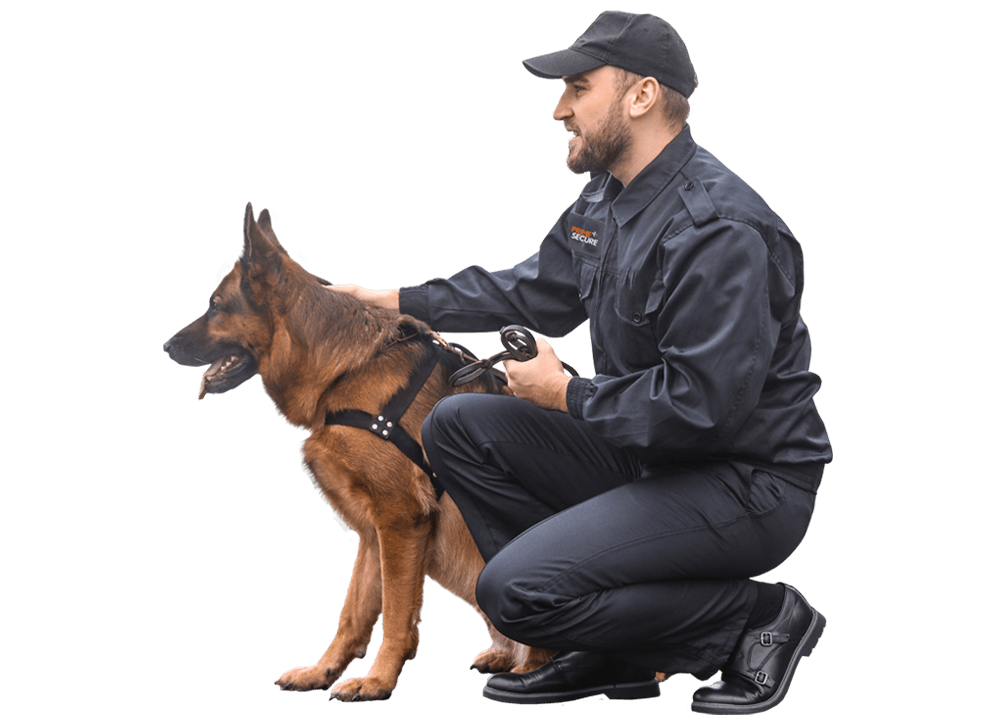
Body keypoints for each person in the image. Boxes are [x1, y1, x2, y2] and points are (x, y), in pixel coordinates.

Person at [331, 11, 832, 715]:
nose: (559, 109)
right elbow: (526, 290)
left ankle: (757, 619)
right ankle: (608, 649)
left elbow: (701, 406)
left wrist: (566, 394)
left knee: (513, 592)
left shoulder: (718, 228)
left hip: (743, 482)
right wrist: (390, 302)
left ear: (642, 95)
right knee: (457, 425)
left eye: (578, 88)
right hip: (649, 454)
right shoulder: (606, 197)